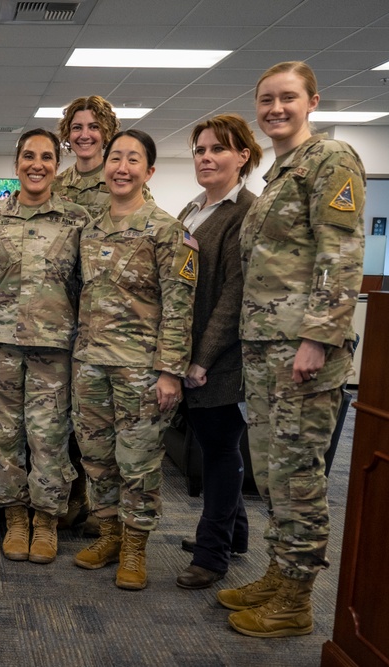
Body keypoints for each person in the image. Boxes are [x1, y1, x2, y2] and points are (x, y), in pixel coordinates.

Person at [219, 61, 365, 638]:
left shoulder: (331, 161)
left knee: (299, 477)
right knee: (274, 476)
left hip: (302, 354)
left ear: (313, 103)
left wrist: (317, 337)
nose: (275, 108)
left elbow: (341, 252)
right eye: (266, 100)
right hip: (267, 353)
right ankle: (281, 574)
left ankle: (296, 601)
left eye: (287, 98)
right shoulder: (281, 172)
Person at [71, 129, 196, 590]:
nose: (122, 167)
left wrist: (170, 372)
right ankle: (109, 534)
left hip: (142, 370)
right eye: (115, 158)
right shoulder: (90, 228)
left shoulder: (167, 230)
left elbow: (180, 306)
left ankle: (136, 548)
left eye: (133, 160)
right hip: (90, 365)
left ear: (149, 171)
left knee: (139, 462)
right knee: (97, 457)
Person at [0, 129, 90, 564]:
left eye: (46, 156)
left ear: (56, 166)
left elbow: (87, 285)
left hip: (54, 346)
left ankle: (46, 521)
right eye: (29, 156)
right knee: (3, 437)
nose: (37, 164)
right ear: (17, 162)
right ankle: (15, 519)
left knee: (49, 437)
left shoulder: (76, 219)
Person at [52, 95, 152, 532]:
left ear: (107, 133)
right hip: (64, 319)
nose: (84, 134)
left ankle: (103, 512)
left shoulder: (126, 182)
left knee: (115, 431)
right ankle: (76, 496)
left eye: (94, 127)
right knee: (74, 421)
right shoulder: (56, 185)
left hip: (115, 324)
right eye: (77, 127)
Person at [173, 115, 262, 590]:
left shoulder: (244, 211)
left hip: (218, 358)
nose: (206, 158)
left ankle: (211, 555)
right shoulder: (194, 208)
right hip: (190, 349)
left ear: (242, 156)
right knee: (214, 446)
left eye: (218, 150)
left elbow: (234, 294)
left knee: (222, 451)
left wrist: (202, 358)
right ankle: (237, 535)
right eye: (200, 150)